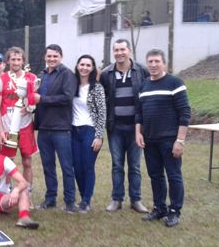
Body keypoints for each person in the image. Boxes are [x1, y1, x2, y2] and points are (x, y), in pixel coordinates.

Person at [135, 49, 191, 227]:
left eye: (157, 61)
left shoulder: (175, 83)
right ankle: (160, 208)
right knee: (155, 175)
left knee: (174, 175)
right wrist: (138, 133)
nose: (153, 65)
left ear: (164, 63)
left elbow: (185, 113)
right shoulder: (144, 86)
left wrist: (180, 140)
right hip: (150, 140)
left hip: (169, 139)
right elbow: (139, 114)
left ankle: (174, 211)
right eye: (150, 61)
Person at [99, 39, 149, 214]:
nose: (119, 53)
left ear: (129, 51)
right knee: (117, 165)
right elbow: (100, 98)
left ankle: (136, 200)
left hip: (136, 129)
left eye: (123, 49)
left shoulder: (141, 71)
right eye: (116, 50)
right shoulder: (106, 74)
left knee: (134, 166)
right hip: (115, 128)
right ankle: (116, 199)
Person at [34, 44, 78, 213]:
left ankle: (69, 202)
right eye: (49, 56)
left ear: (61, 57)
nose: (52, 59)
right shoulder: (42, 75)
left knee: (67, 167)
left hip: (61, 129)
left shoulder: (67, 74)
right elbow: (36, 98)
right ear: (45, 57)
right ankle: (50, 199)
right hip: (44, 129)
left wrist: (42, 99)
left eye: (55, 56)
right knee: (48, 166)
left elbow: (67, 98)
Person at [0, 46, 37, 194]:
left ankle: (27, 193)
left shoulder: (31, 78)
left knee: (27, 161)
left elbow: (35, 100)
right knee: (7, 162)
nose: (16, 62)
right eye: (13, 59)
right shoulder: (1, 79)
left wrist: (30, 108)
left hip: (25, 126)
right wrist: (0, 129)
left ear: (23, 61)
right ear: (8, 61)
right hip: (7, 127)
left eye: (19, 59)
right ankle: (7, 191)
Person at [72, 55, 106, 213]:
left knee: (87, 165)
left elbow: (102, 114)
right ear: (77, 66)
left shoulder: (96, 88)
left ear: (92, 68)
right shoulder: (72, 85)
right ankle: (82, 196)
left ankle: (86, 200)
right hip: (73, 130)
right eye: (82, 64)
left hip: (90, 130)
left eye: (88, 65)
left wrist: (98, 136)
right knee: (77, 167)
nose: (84, 68)